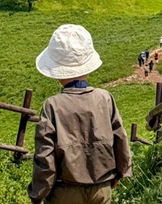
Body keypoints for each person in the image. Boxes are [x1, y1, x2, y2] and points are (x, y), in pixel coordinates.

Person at [28, 24, 132, 204]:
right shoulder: (105, 99)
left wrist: (38, 193)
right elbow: (120, 138)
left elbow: (45, 157)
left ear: (57, 70)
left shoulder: (52, 105)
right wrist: (120, 173)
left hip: (64, 191)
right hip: (101, 188)